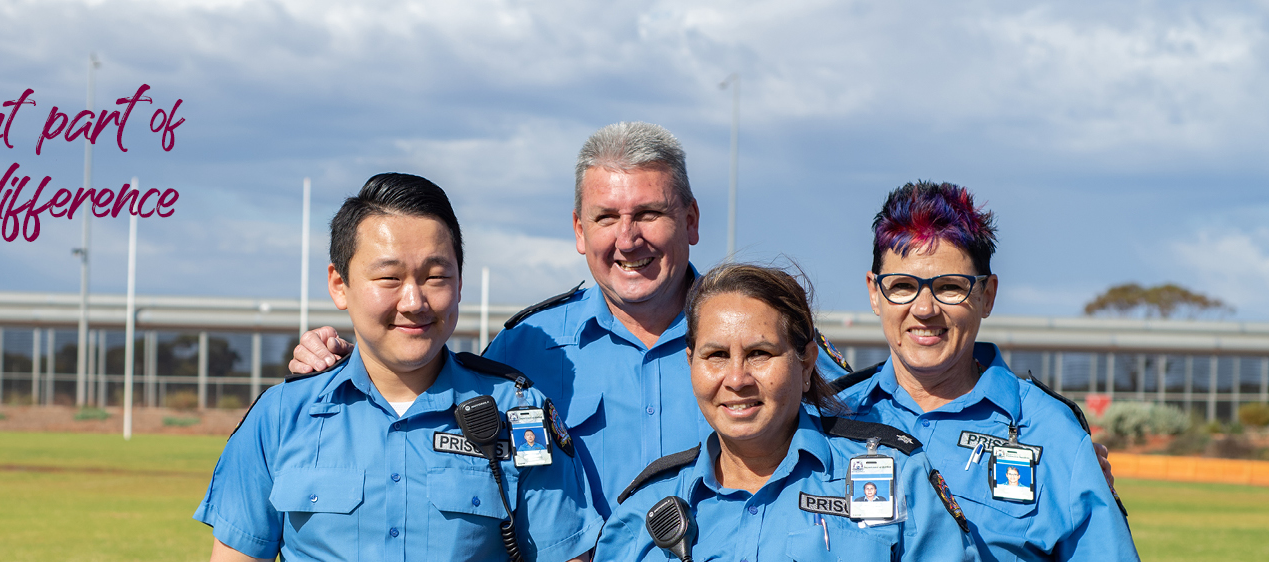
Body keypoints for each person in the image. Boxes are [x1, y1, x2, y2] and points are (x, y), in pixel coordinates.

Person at [289, 122, 853, 517]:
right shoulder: (523, 350)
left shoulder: (775, 344)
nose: (628, 238)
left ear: (691, 219)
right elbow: (419, 414)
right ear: (580, 232)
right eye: (606, 217)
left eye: (650, 214)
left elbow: (859, 443)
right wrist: (336, 361)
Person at [193, 173, 599, 562]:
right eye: (388, 277)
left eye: (436, 276)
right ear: (339, 284)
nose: (414, 301)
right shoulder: (279, 418)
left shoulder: (518, 415)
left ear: (460, 283)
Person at [588, 263, 993, 562]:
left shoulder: (898, 479)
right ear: (690, 363)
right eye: (715, 355)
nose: (737, 378)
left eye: (759, 353)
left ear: (806, 362)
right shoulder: (641, 515)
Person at [833, 181, 1157, 562]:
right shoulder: (826, 421)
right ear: (874, 293)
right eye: (903, 285)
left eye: (950, 287)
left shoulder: (1052, 432)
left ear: (987, 295)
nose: (924, 309)